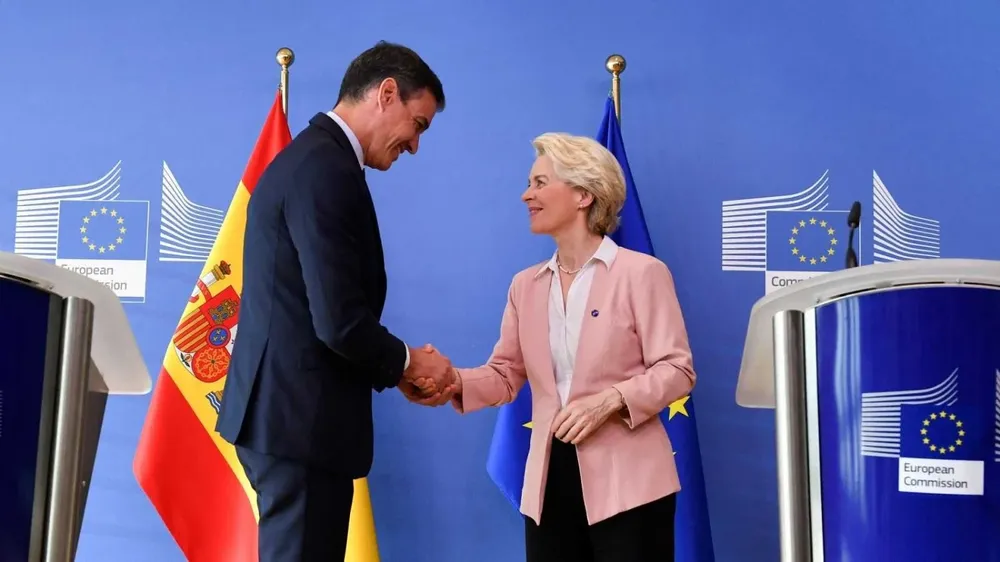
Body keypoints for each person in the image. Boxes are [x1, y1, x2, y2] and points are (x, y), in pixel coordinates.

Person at [216, 41, 457, 562]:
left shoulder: (316, 160)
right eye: (419, 124)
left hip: (294, 421)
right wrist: (410, 362)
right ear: (386, 94)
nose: (415, 145)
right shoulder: (324, 169)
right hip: (299, 426)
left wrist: (395, 371)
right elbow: (339, 321)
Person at [405, 132, 696, 562]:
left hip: (631, 487)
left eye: (540, 183)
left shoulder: (642, 274)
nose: (526, 195)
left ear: (583, 194)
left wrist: (612, 399)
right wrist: (452, 382)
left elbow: (677, 369)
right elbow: (505, 373)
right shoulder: (525, 285)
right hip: (548, 483)